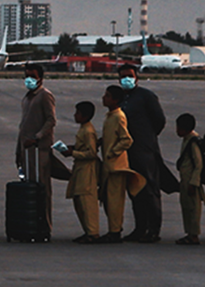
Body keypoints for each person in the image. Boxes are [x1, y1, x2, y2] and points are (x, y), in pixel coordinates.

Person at [116, 65, 166, 243]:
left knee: (150, 189)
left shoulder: (146, 96)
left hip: (144, 150)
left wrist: (147, 138)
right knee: (135, 190)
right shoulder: (122, 98)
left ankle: (153, 229)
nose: (126, 79)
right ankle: (140, 228)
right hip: (127, 151)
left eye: (129, 76)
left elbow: (159, 120)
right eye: (123, 77)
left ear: (137, 77)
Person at [96, 85, 146, 244]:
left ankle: (115, 231)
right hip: (109, 166)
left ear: (116, 100)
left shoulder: (119, 116)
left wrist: (112, 151)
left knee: (115, 201)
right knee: (108, 200)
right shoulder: (110, 116)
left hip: (116, 166)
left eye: (108, 96)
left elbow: (126, 140)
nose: (104, 98)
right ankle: (113, 229)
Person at [16, 64, 55, 238]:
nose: (28, 79)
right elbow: (23, 126)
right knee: (30, 190)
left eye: (32, 75)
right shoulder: (27, 97)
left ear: (40, 77)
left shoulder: (44, 96)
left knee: (42, 190)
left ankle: (44, 227)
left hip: (39, 150)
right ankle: (31, 225)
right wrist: (18, 150)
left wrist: (38, 137)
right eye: (26, 75)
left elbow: (51, 120)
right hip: (26, 151)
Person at [58, 101, 101, 244]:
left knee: (86, 201)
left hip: (86, 170)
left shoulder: (88, 131)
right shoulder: (83, 129)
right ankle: (87, 231)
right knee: (78, 200)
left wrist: (74, 153)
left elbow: (92, 153)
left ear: (84, 116)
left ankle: (93, 232)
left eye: (77, 113)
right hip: (80, 168)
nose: (75, 116)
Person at [174, 113, 205, 245]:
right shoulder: (187, 138)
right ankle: (190, 233)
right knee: (186, 207)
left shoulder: (193, 141)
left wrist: (193, 183)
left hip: (191, 181)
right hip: (185, 179)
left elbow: (199, 164)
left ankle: (193, 235)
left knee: (193, 208)